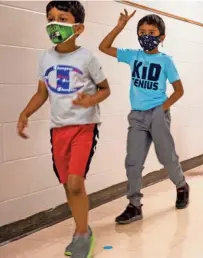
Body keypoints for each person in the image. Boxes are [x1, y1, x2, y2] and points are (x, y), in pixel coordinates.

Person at [17, 1, 111, 257]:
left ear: (78, 28)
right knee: (67, 185)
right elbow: (41, 93)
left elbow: (105, 89)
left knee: (75, 183)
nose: (54, 24)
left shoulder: (88, 58)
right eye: (50, 19)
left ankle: (82, 234)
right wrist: (25, 112)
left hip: (84, 127)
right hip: (58, 130)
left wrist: (90, 100)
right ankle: (82, 228)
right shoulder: (45, 57)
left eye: (62, 19)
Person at [99, 10, 190, 224]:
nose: (146, 36)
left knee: (166, 157)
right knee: (133, 161)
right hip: (137, 117)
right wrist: (120, 26)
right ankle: (134, 205)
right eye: (142, 32)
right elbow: (103, 47)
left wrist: (161, 109)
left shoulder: (165, 61)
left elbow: (179, 90)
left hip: (158, 114)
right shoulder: (133, 55)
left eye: (152, 32)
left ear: (162, 37)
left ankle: (181, 185)